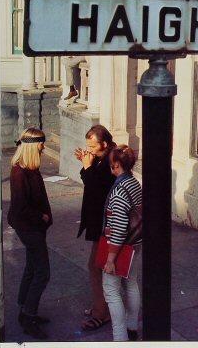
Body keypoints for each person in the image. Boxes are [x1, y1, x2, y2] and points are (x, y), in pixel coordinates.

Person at [7, 128, 52, 340]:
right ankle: (28, 317)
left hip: (35, 228)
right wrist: (41, 217)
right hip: (29, 228)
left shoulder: (30, 168)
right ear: (33, 147)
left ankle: (23, 310)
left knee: (32, 267)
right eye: (41, 145)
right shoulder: (19, 172)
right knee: (42, 272)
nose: (43, 148)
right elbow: (20, 209)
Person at [74, 125, 116, 331]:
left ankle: (102, 312)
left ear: (104, 144)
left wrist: (88, 167)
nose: (89, 149)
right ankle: (102, 306)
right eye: (87, 145)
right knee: (96, 267)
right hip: (98, 223)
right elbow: (89, 181)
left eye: (92, 146)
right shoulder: (101, 157)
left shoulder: (111, 162)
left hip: (104, 225)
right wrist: (86, 165)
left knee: (96, 267)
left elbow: (99, 190)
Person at [102, 145, 142, 342]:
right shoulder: (135, 183)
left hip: (121, 248)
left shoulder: (118, 192)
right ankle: (132, 327)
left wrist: (110, 259)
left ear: (116, 165)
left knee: (111, 290)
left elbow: (118, 229)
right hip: (135, 244)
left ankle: (120, 338)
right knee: (131, 283)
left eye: (112, 166)